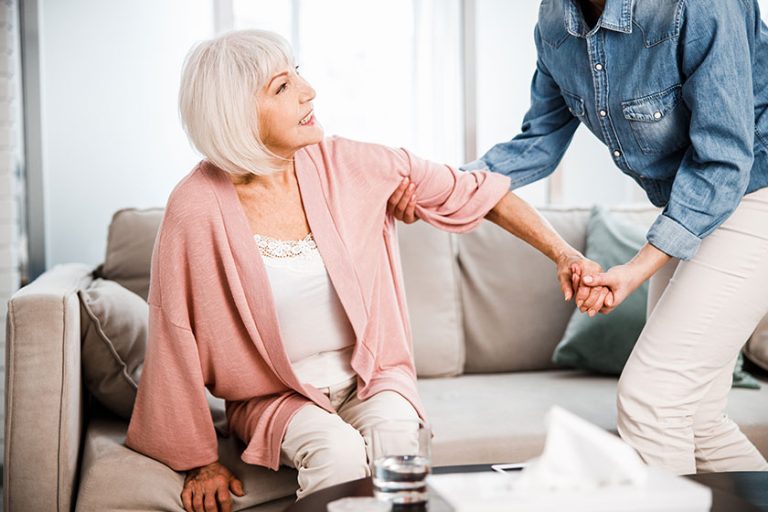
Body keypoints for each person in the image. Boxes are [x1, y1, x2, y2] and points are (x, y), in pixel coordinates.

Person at [124, 29, 603, 512]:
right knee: (338, 454)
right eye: (282, 87)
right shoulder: (194, 208)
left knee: (398, 446)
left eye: (299, 75)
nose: (308, 91)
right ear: (235, 112)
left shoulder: (347, 163)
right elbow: (173, 334)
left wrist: (566, 255)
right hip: (275, 397)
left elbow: (474, 190)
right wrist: (198, 459)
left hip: (371, 376)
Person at [399, 0, 768, 476]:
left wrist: (635, 269)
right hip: (690, 200)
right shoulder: (556, 20)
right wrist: (440, 188)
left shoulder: (699, 6)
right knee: (695, 419)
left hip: (755, 192)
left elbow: (724, 160)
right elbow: (539, 140)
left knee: (653, 401)